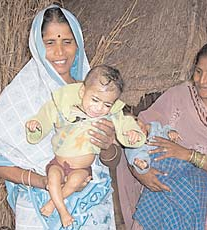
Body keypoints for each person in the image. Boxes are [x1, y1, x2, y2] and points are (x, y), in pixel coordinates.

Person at [0, 5, 122, 229]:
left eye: (67, 42)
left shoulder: (97, 94)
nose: (60, 53)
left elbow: (112, 160)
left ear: (78, 45)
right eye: (50, 43)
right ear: (37, 45)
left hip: (93, 211)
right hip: (39, 211)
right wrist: (42, 181)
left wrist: (107, 146)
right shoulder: (21, 96)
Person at [117, 42, 207, 230]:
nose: (202, 80)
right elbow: (133, 135)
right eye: (198, 72)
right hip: (156, 199)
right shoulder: (177, 96)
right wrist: (141, 174)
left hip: (199, 207)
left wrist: (189, 155)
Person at [25, 64, 145, 227]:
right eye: (95, 100)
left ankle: (53, 204)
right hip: (58, 163)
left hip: (82, 169)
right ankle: (62, 211)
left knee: (76, 181)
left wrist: (132, 133)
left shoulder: (111, 115)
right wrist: (37, 125)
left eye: (107, 104)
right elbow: (45, 116)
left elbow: (126, 124)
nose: (99, 108)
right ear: (82, 92)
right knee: (52, 178)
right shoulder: (64, 106)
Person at [125, 119, 207, 229]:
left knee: (199, 176)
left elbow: (166, 130)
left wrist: (171, 133)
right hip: (161, 167)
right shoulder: (134, 146)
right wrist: (143, 166)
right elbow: (140, 164)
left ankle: (192, 219)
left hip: (181, 163)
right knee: (176, 199)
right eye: (132, 128)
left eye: (136, 120)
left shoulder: (154, 127)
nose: (137, 126)